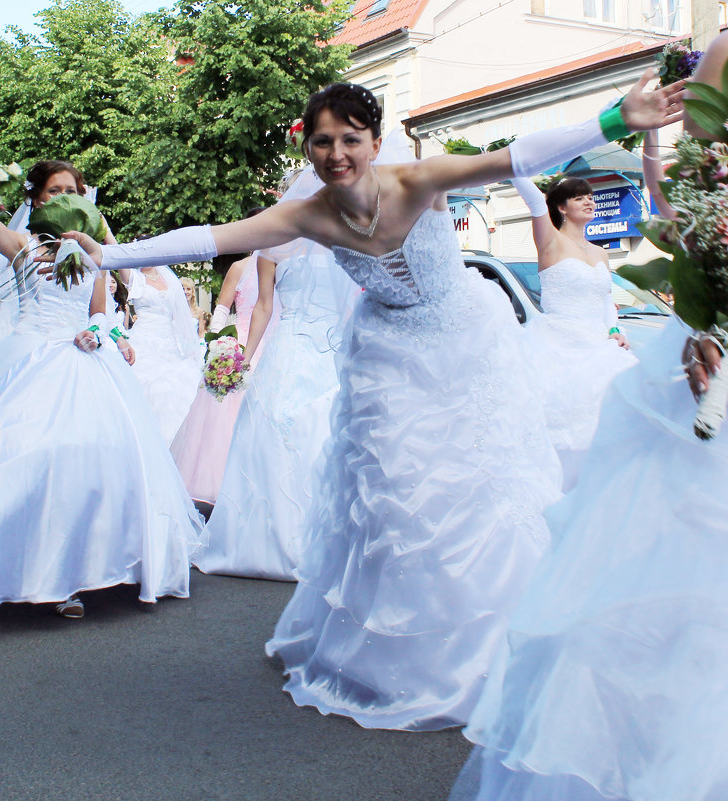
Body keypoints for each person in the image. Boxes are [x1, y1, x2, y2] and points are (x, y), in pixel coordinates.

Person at [56, 75, 684, 729]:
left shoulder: (415, 180)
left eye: (349, 139)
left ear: (374, 141)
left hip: (462, 344)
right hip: (386, 358)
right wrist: (109, 255)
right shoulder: (308, 213)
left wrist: (614, 120)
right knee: (391, 496)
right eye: (322, 141)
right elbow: (215, 237)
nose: (336, 153)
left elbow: (517, 157)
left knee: (476, 492)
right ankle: (392, 647)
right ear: (310, 151)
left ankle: (495, 638)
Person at [448, 33, 728, 801]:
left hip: (622, 347)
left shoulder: (603, 257)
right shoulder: (723, 52)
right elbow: (689, 204)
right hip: (692, 366)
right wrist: (636, 133)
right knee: (645, 582)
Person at [0, 159, 203, 619]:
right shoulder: (23, 245)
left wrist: (98, 334)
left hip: (83, 362)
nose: (64, 196)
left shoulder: (93, 252)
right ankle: (6, 569)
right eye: (54, 190)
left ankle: (79, 571)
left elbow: (99, 311)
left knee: (89, 459)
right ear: (37, 199)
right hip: (29, 360)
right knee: (24, 456)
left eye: (72, 189)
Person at [196, 175, 361, 580]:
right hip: (286, 348)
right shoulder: (274, 243)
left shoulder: (345, 237)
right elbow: (265, 308)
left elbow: (353, 303)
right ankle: (268, 539)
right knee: (273, 433)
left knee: (323, 435)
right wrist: (244, 358)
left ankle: (327, 539)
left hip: (330, 350)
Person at [510, 175, 637, 488]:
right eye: (580, 197)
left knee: (611, 422)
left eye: (591, 196)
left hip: (598, 345)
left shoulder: (601, 254)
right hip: (558, 344)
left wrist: (614, 329)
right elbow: (535, 201)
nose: (589, 201)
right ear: (561, 207)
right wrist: (513, 164)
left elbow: (605, 297)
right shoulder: (550, 241)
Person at [170, 208, 269, 505]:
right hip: (239, 342)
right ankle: (223, 480)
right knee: (223, 418)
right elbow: (222, 309)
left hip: (271, 342)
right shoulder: (240, 267)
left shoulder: (284, 265)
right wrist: (220, 344)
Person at [124, 264, 205, 443]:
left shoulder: (169, 278)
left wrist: (188, 346)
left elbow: (178, 316)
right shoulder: (134, 277)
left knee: (176, 387)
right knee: (145, 386)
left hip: (169, 342)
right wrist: (105, 234)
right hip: (143, 339)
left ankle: (180, 443)